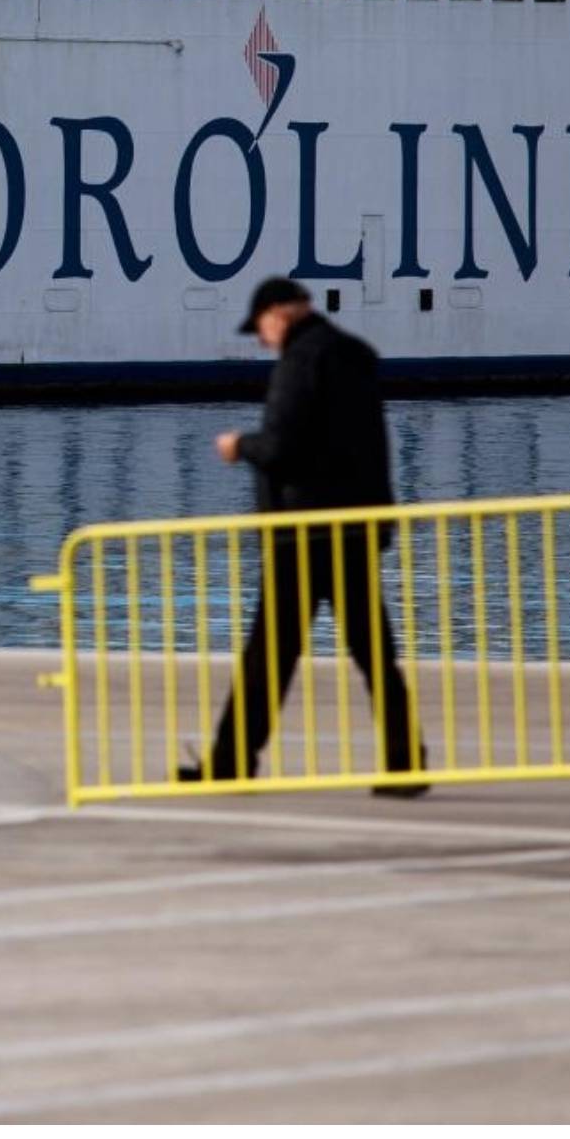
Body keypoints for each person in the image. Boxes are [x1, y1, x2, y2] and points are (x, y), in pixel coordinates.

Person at [183, 276, 428, 795]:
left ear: (280, 314)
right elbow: (370, 448)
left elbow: (283, 446)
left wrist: (238, 446)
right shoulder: (357, 355)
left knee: (265, 658)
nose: (262, 340)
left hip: (303, 535)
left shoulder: (301, 362)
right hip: (355, 528)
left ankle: (229, 763)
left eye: (262, 328)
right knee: (374, 654)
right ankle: (406, 762)